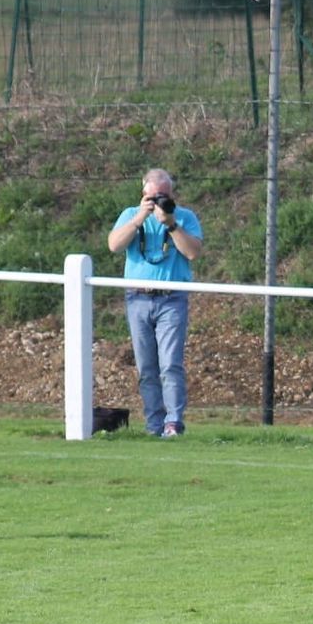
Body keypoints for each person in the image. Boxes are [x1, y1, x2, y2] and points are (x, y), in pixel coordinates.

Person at [106, 167, 204, 438]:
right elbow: (114, 245)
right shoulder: (130, 215)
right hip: (137, 298)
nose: (159, 200)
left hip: (171, 299)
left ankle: (173, 423)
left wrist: (170, 223)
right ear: (143, 195)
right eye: (154, 196)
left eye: (164, 196)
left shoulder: (185, 217)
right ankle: (153, 424)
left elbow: (193, 253)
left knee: (170, 364)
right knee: (146, 367)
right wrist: (140, 217)